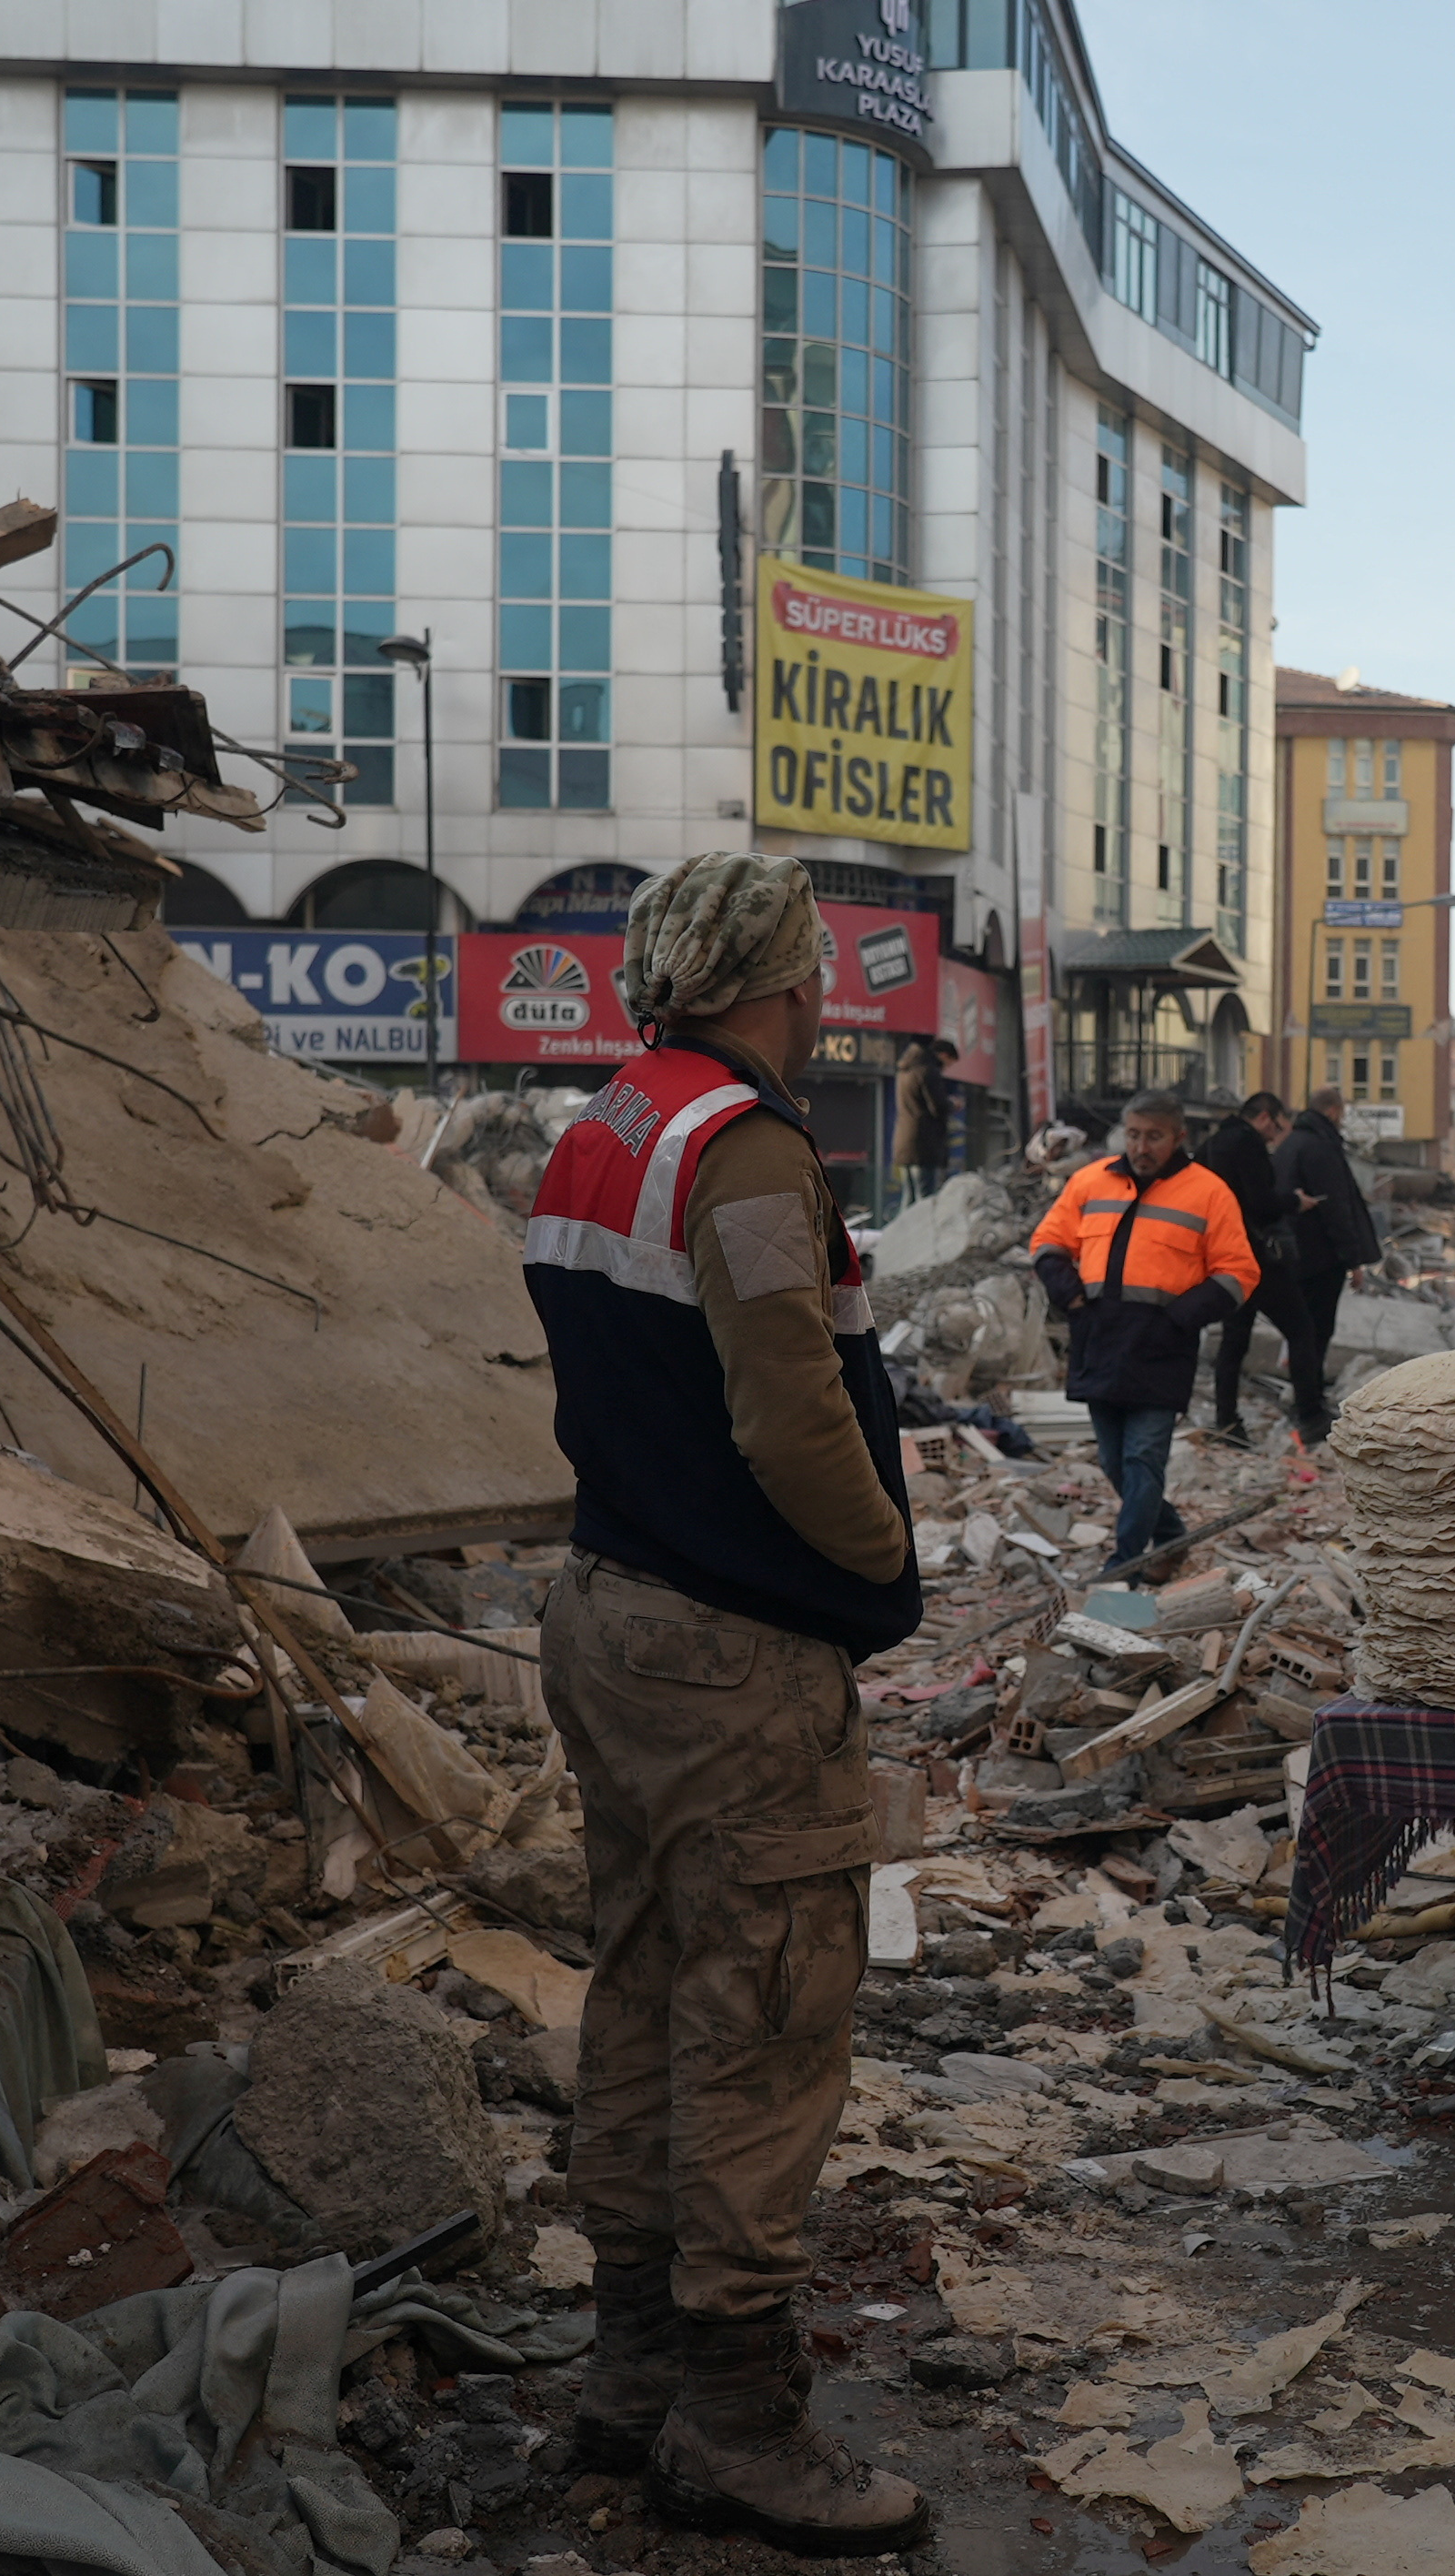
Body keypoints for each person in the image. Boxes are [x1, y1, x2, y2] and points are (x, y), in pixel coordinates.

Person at [521, 854, 930, 2556]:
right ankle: (739, 2423)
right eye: (814, 966)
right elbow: (788, 1409)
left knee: (644, 1981)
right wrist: (883, 1571)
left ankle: (629, 2372)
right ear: (782, 976)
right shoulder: (745, 1147)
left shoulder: (602, 1123)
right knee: (761, 2010)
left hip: (609, 1614)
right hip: (727, 1648)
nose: (826, 989)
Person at [1029, 1090, 1260, 1571]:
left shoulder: (1209, 1192)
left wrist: (1180, 1317)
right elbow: (1049, 1241)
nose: (1142, 1146)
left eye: (1154, 1136)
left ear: (1179, 1137)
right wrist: (1070, 1296)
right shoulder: (1091, 1182)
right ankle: (1171, 1536)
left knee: (1141, 1460)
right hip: (1100, 1339)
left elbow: (1239, 1271)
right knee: (1116, 1464)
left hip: (1162, 1348)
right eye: (1134, 1134)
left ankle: (1126, 1564)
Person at [1268, 1083, 1382, 1444]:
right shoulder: (1322, 1148)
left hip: (1292, 1255)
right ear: (1334, 1111)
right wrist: (1354, 1260)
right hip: (1320, 1258)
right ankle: (1311, 1412)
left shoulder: (1290, 1145)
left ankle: (1308, 1403)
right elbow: (1337, 1209)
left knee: (1304, 1334)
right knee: (1314, 1334)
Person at [1198, 1091, 1291, 1446]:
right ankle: (1309, 1414)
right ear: (1265, 1117)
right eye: (1277, 1126)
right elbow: (1260, 1201)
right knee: (1301, 1329)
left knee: (1233, 1340)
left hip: (1221, 1256)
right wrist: (1293, 1202)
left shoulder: (1212, 1143)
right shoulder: (1247, 1144)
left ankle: (1226, 1420)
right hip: (1253, 1256)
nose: (1275, 1135)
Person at [889, 1037, 952, 1202]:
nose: (947, 1068)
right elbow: (938, 1106)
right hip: (923, 1144)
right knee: (924, 1202)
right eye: (949, 1063)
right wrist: (951, 1104)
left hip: (904, 1141)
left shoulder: (904, 1069)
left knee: (908, 1198)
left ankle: (902, 1228)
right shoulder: (927, 1071)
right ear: (943, 1055)